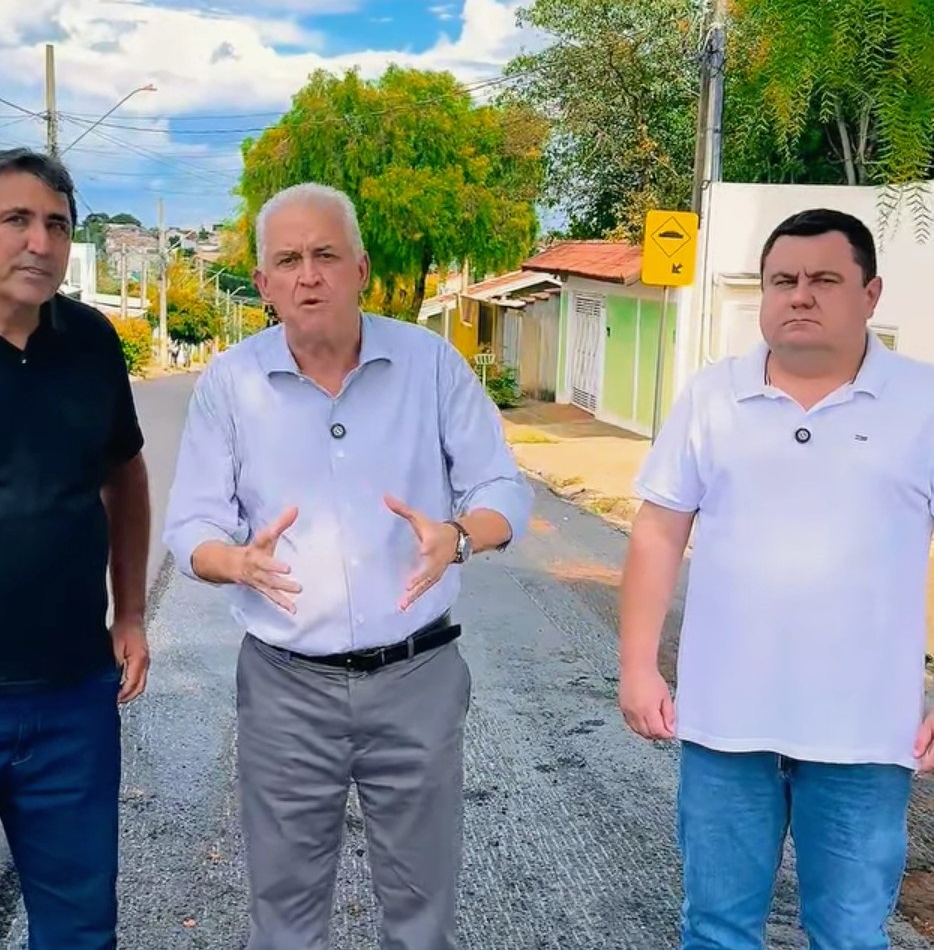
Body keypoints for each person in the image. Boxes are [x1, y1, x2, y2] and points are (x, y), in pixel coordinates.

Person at [163, 181, 532, 950]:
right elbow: (191, 523)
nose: (309, 276)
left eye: (326, 255)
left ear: (360, 269)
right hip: (285, 688)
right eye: (288, 260)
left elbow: (502, 488)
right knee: (285, 919)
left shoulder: (430, 365)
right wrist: (233, 561)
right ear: (262, 283)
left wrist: (459, 535)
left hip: (417, 679)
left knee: (422, 917)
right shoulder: (230, 384)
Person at [618, 207, 934, 949]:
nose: (800, 295)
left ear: (871, 294)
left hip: (865, 735)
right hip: (725, 726)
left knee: (850, 933)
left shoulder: (923, 403)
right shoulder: (712, 396)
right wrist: (636, 665)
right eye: (782, 280)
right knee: (717, 930)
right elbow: (659, 530)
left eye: (825, 279)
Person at [0, 147, 151, 949]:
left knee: (80, 932)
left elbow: (126, 475)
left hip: (71, 700)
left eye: (56, 225)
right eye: (16, 220)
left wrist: (131, 612)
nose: (40, 242)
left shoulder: (91, 340)